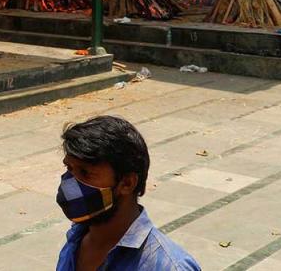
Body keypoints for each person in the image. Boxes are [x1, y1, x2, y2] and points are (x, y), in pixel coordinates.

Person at [56, 116, 200, 271]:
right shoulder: (76, 238)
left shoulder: (168, 266)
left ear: (127, 183)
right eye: (69, 168)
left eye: (85, 172)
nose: (71, 184)